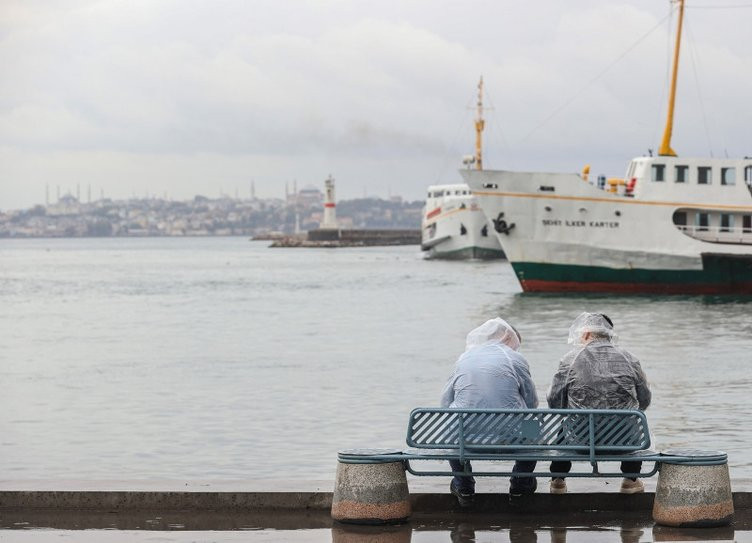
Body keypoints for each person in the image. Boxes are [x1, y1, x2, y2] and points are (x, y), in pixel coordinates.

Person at [547, 312, 651, 494]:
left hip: (580, 438)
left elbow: (554, 400)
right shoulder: (630, 359)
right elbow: (645, 398)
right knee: (634, 422)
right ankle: (630, 479)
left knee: (565, 425)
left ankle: (558, 479)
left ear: (586, 333)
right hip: (623, 439)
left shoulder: (570, 359)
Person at [440, 317, 539, 507]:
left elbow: (445, 401)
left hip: (464, 438)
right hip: (509, 438)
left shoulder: (464, 358)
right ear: (507, 337)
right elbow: (531, 400)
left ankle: (464, 486)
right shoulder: (515, 358)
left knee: (453, 423)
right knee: (533, 426)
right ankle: (520, 485)